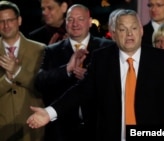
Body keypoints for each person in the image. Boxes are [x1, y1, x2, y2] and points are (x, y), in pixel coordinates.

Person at [27, 9, 164, 141]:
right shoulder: (102, 59)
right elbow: (80, 92)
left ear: (141, 31)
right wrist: (49, 113)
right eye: (122, 29)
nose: (129, 34)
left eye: (133, 28)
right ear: (115, 33)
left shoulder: (159, 59)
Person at [34, 4, 115, 141]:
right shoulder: (52, 50)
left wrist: (91, 77)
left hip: (98, 127)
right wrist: (66, 69)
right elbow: (40, 82)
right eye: (70, 19)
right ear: (65, 23)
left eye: (80, 19)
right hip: (62, 129)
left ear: (89, 22)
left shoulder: (107, 48)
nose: (75, 24)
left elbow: (115, 83)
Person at [0, 1, 45, 141]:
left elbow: (43, 88)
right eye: (1, 21)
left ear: (19, 20)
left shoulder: (40, 50)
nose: (6, 25)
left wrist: (17, 71)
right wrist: (7, 79)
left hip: (32, 126)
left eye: (10, 20)